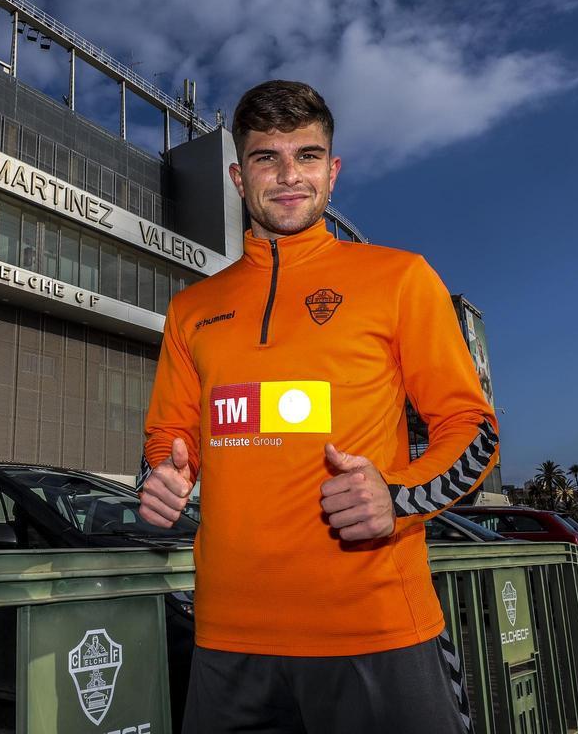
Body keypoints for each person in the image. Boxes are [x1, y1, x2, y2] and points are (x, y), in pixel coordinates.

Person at [138, 80, 499, 734]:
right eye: (265, 157)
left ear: (332, 173)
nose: (287, 176)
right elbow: (169, 435)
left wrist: (397, 495)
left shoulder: (400, 278)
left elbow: (472, 429)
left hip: (378, 632)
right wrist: (162, 474)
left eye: (306, 156)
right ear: (237, 176)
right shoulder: (190, 310)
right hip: (228, 638)